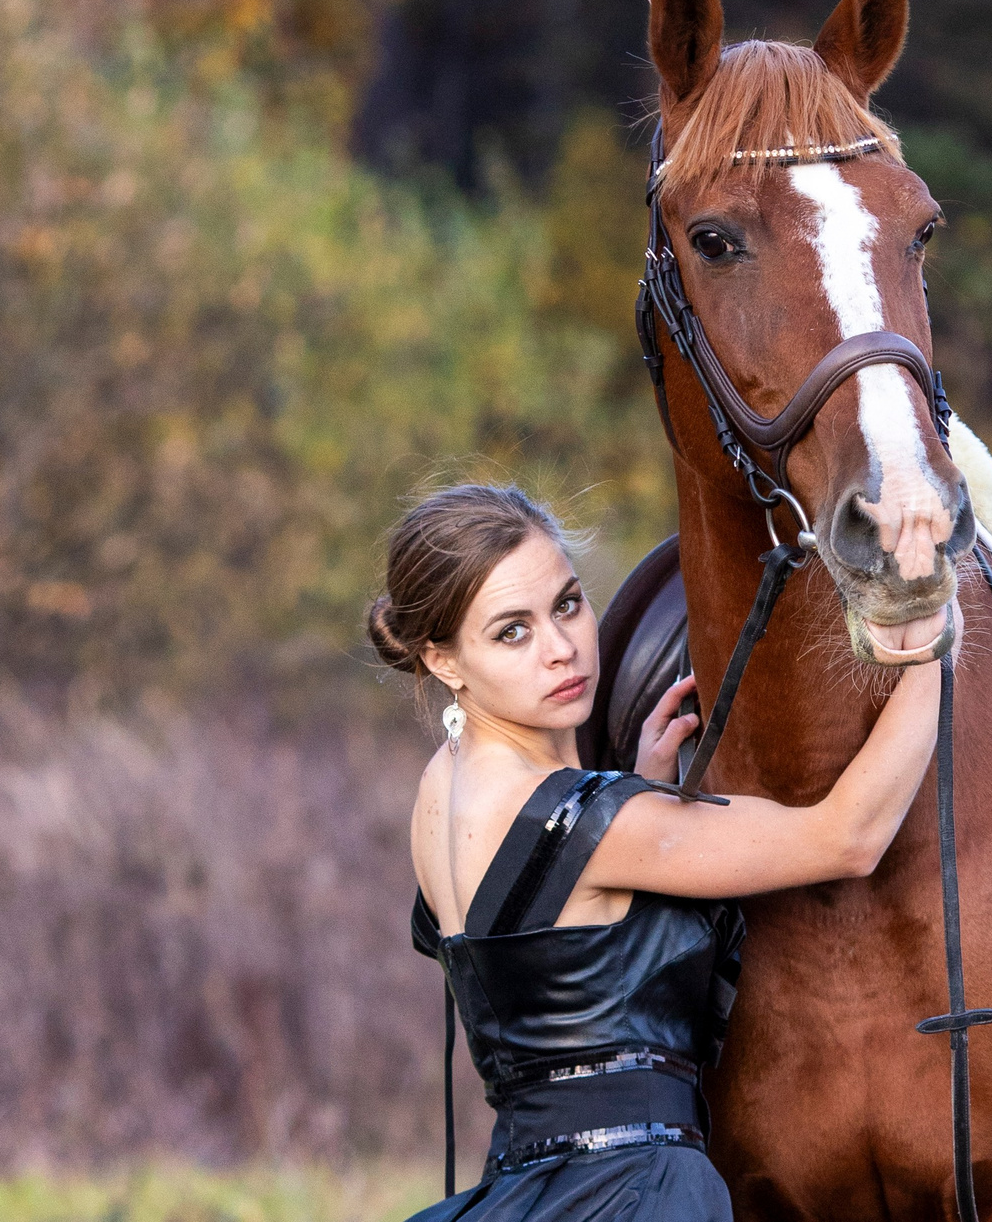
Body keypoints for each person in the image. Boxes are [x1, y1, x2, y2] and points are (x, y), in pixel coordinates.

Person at [368, 483, 945, 1221]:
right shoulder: (598, 825)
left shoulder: (442, 787)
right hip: (638, 1192)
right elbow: (849, 835)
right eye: (512, 631)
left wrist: (633, 791)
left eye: (568, 604)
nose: (561, 648)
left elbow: (547, 933)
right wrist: (930, 638)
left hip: (526, 1188)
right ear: (443, 660)